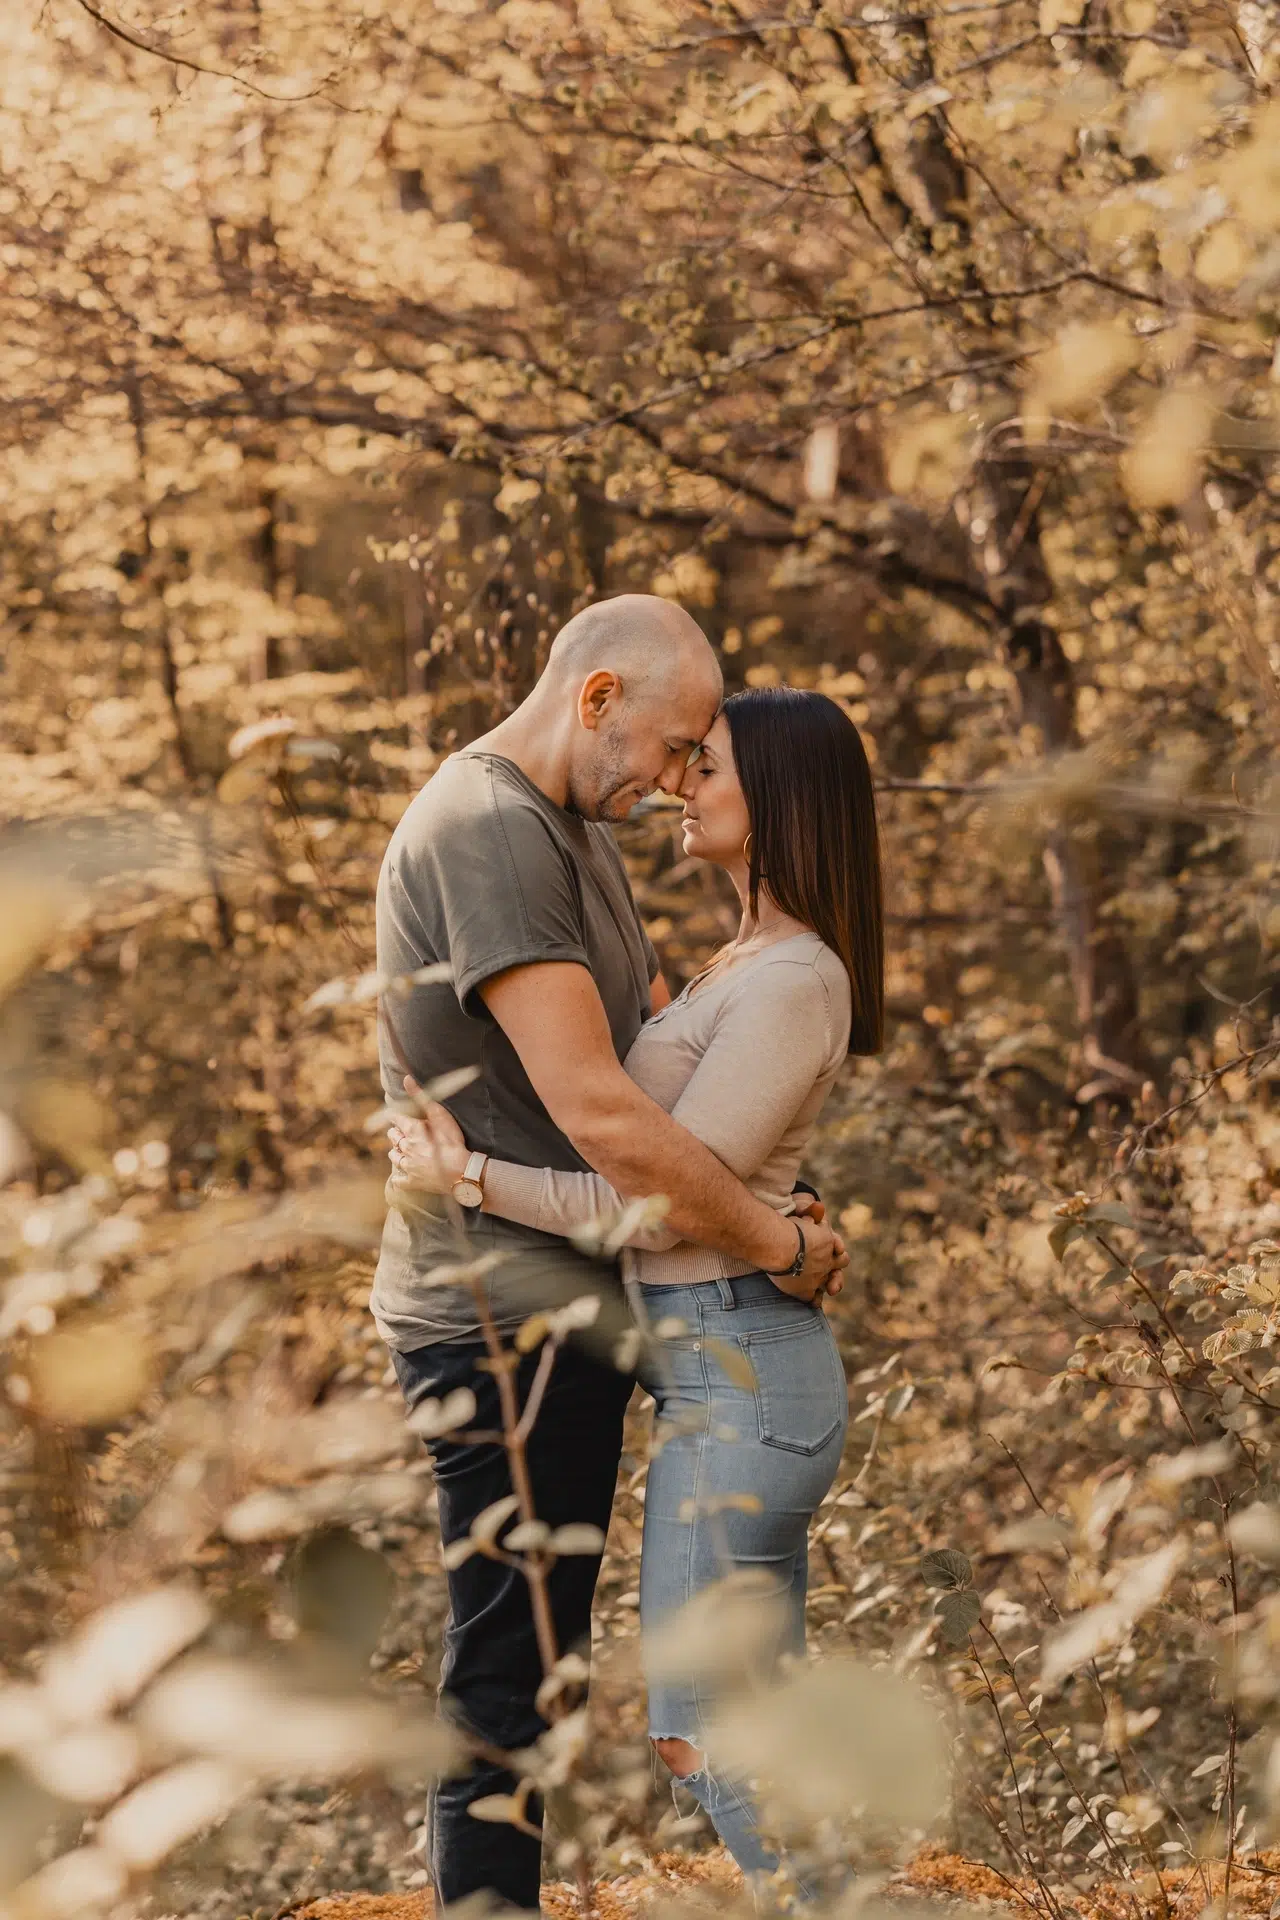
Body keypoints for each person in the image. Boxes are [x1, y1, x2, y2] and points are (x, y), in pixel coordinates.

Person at [370, 596, 846, 1913]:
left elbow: (669, 1058)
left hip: (585, 1298)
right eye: (673, 744)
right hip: (497, 1309)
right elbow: (601, 1111)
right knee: (509, 1672)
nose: (675, 777)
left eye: (702, 759)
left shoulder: (572, 831)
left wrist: (778, 1183)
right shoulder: (488, 830)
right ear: (596, 702)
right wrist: (772, 1237)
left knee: (562, 1666)